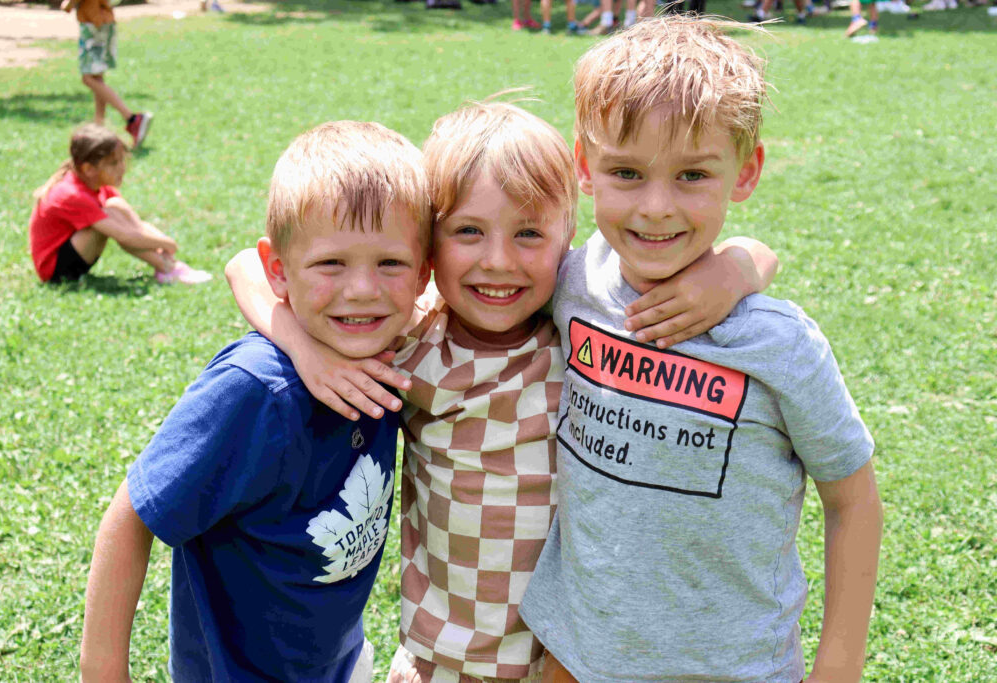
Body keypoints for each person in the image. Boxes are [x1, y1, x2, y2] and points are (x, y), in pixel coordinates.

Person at [226, 99, 779, 683]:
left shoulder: (585, 317)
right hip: (441, 661)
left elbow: (755, 251)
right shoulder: (410, 337)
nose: (498, 262)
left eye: (529, 233)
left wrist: (737, 270)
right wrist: (304, 349)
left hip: (572, 664)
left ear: (570, 236)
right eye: (468, 231)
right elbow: (246, 265)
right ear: (426, 246)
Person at [517, 17, 884, 683]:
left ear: (746, 173)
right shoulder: (570, 283)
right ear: (583, 168)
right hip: (576, 654)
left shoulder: (781, 345)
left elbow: (853, 499)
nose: (656, 207)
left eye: (692, 175)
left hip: (732, 667)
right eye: (626, 172)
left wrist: (840, 665)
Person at [79, 121, 432, 682]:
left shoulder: (400, 348)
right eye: (331, 264)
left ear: (423, 273)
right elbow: (130, 518)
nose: (362, 289)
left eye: (389, 263)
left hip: (339, 662)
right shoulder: (257, 391)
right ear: (281, 271)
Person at [29, 123, 210, 285]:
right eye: (113, 163)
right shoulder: (72, 194)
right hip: (56, 272)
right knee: (112, 213)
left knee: (116, 205)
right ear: (88, 169)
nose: (122, 167)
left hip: (75, 255)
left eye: (122, 160)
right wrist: (168, 243)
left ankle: (172, 266)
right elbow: (125, 236)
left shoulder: (96, 184)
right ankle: (167, 268)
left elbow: (134, 225)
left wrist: (161, 244)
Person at [60, 0, 153, 147]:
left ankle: (132, 119)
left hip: (93, 25)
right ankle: (99, 128)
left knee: (88, 78)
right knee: (97, 78)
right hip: (104, 22)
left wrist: (67, 4)